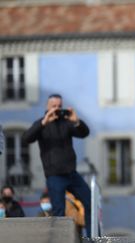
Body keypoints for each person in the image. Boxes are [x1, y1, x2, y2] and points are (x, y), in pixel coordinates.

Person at [22, 94, 91, 236]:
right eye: (54, 106)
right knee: (59, 210)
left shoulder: (66, 123)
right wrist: (44, 122)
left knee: (89, 201)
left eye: (59, 106)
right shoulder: (41, 124)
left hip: (72, 173)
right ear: (47, 107)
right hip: (54, 175)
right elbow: (27, 138)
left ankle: (91, 236)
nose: (57, 109)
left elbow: (84, 133)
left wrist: (76, 121)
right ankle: (59, 239)